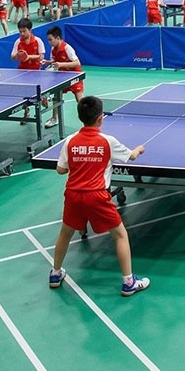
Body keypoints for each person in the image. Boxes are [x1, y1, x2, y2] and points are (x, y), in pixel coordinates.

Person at [48, 95, 150, 297]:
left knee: (65, 233)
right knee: (120, 235)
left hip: (73, 195)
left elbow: (60, 170)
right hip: (97, 196)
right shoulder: (107, 142)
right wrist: (138, 149)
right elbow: (130, 156)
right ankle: (128, 282)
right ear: (100, 118)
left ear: (79, 117)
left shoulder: (70, 141)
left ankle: (55, 273)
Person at [44, 26, 85, 122]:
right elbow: (54, 61)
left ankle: (87, 120)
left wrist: (61, 64)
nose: (49, 43)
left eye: (51, 40)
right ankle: (54, 118)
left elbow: (77, 63)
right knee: (56, 96)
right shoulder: (53, 49)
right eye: (48, 40)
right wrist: (48, 62)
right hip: (62, 76)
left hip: (75, 76)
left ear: (58, 38)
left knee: (79, 101)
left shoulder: (67, 48)